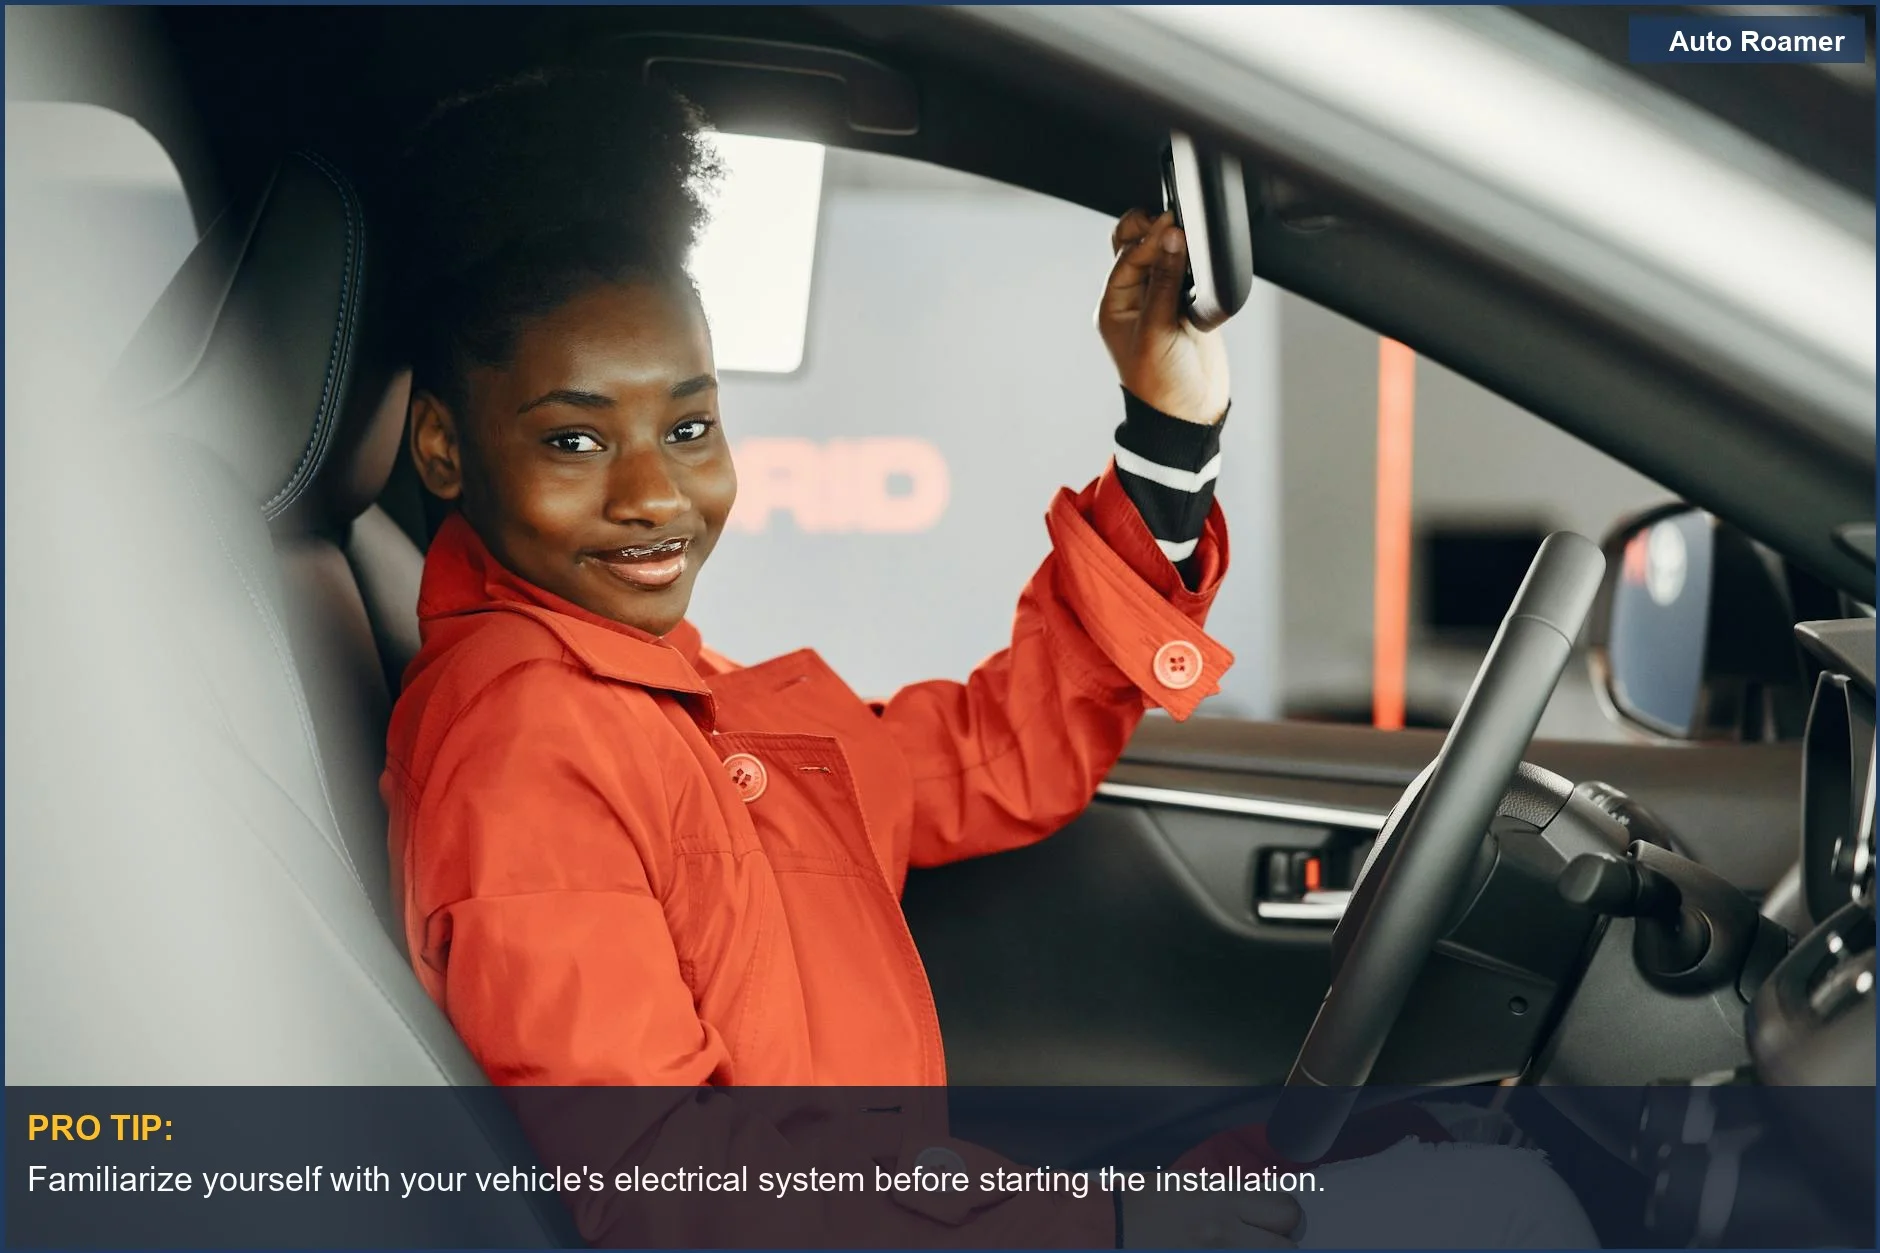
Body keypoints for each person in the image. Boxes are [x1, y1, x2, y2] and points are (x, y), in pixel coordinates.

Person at [381, 71, 1593, 1250]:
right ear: (441, 443)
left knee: (1457, 1163)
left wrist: (1164, 436)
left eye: (690, 426)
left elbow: (993, 756)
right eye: (575, 436)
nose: (654, 492)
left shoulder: (659, 698)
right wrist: (1108, 1219)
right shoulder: (529, 747)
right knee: (1502, 1208)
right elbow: (677, 1196)